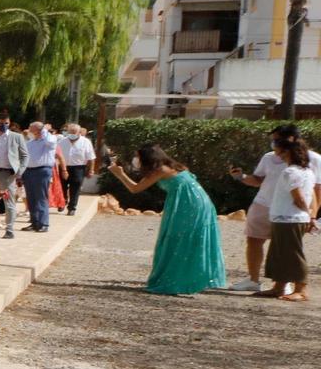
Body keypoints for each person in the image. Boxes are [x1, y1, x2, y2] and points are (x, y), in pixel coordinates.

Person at [106, 145, 225, 296]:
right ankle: (188, 278)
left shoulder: (161, 170)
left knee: (178, 238)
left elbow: (135, 189)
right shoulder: (174, 166)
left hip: (188, 205)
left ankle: (176, 280)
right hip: (198, 203)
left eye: (138, 157)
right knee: (190, 238)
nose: (136, 160)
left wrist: (120, 174)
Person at [227, 126, 302, 292]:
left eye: (277, 139)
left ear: (291, 139)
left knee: (283, 245)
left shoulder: (309, 159)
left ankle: (284, 282)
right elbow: (258, 179)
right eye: (273, 139)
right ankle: (253, 280)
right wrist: (241, 177)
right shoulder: (268, 157)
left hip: (287, 209)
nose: (274, 143)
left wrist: (310, 212)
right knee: (253, 240)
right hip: (263, 204)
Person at [260, 135, 315, 301]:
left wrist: (309, 214)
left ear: (289, 152)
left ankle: (301, 289)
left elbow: (298, 198)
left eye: (281, 152)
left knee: (292, 253)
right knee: (279, 253)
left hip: (290, 219)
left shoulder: (290, 172)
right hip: (284, 218)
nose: (278, 155)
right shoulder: (306, 171)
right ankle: (279, 286)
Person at [0, 116, 28, 240]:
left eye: (6, 123)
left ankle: (9, 229)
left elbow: (24, 155)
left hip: (8, 174)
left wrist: (19, 171)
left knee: (9, 203)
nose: (4, 125)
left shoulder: (16, 137)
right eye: (1, 123)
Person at [21, 122, 58, 232]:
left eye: (31, 129)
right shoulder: (30, 142)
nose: (29, 132)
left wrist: (44, 130)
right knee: (31, 198)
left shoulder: (48, 140)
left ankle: (44, 224)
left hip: (42, 170)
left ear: (39, 130)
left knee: (41, 197)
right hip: (29, 171)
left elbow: (50, 141)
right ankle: (34, 222)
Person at [60, 123, 95, 214]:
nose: (72, 134)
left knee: (75, 188)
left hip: (78, 168)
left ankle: (72, 208)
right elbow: (57, 156)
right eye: (70, 132)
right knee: (62, 186)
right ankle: (63, 201)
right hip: (64, 167)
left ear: (79, 132)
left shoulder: (86, 142)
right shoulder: (62, 142)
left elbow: (91, 157)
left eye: (74, 132)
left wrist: (91, 170)